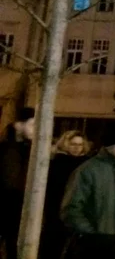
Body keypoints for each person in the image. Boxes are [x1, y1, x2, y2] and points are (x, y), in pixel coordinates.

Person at [61, 126, 115, 259]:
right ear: (108, 146)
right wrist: (90, 233)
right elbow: (71, 208)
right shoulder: (87, 170)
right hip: (94, 242)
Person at [42, 130, 90, 259]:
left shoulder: (87, 164)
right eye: (73, 144)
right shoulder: (57, 163)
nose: (76, 148)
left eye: (80, 145)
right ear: (65, 144)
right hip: (57, 208)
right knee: (55, 243)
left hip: (79, 209)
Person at [0, 107, 35, 259]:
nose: (36, 129)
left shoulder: (31, 149)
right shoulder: (7, 149)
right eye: (32, 124)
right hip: (9, 205)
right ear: (19, 125)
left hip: (20, 206)